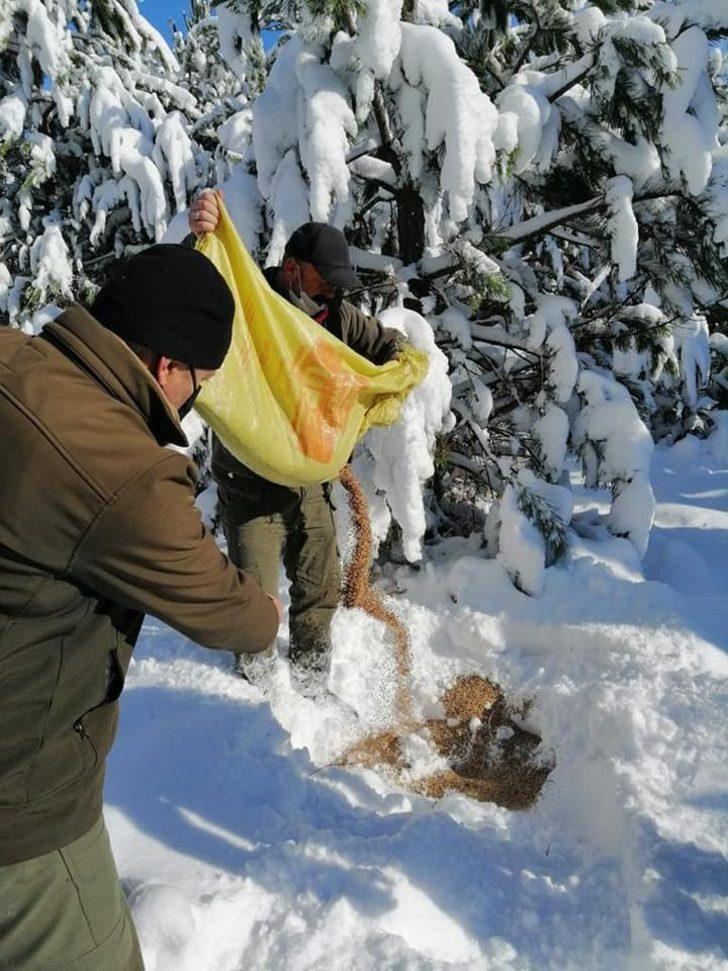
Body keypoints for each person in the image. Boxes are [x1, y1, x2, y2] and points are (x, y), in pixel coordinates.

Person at [0, 244, 282, 971]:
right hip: (21, 812)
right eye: (202, 381)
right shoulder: (123, 475)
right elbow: (237, 616)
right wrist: (267, 600)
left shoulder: (12, 359)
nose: (195, 399)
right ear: (166, 368)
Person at [188, 192, 405, 696]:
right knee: (255, 600)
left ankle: (311, 680)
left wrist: (400, 366)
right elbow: (195, 288)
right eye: (322, 279)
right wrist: (198, 234)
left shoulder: (339, 316)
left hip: (308, 477)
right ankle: (257, 690)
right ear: (291, 269)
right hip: (250, 481)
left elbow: (385, 345)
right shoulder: (247, 303)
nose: (330, 291)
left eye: (335, 284)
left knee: (320, 580)